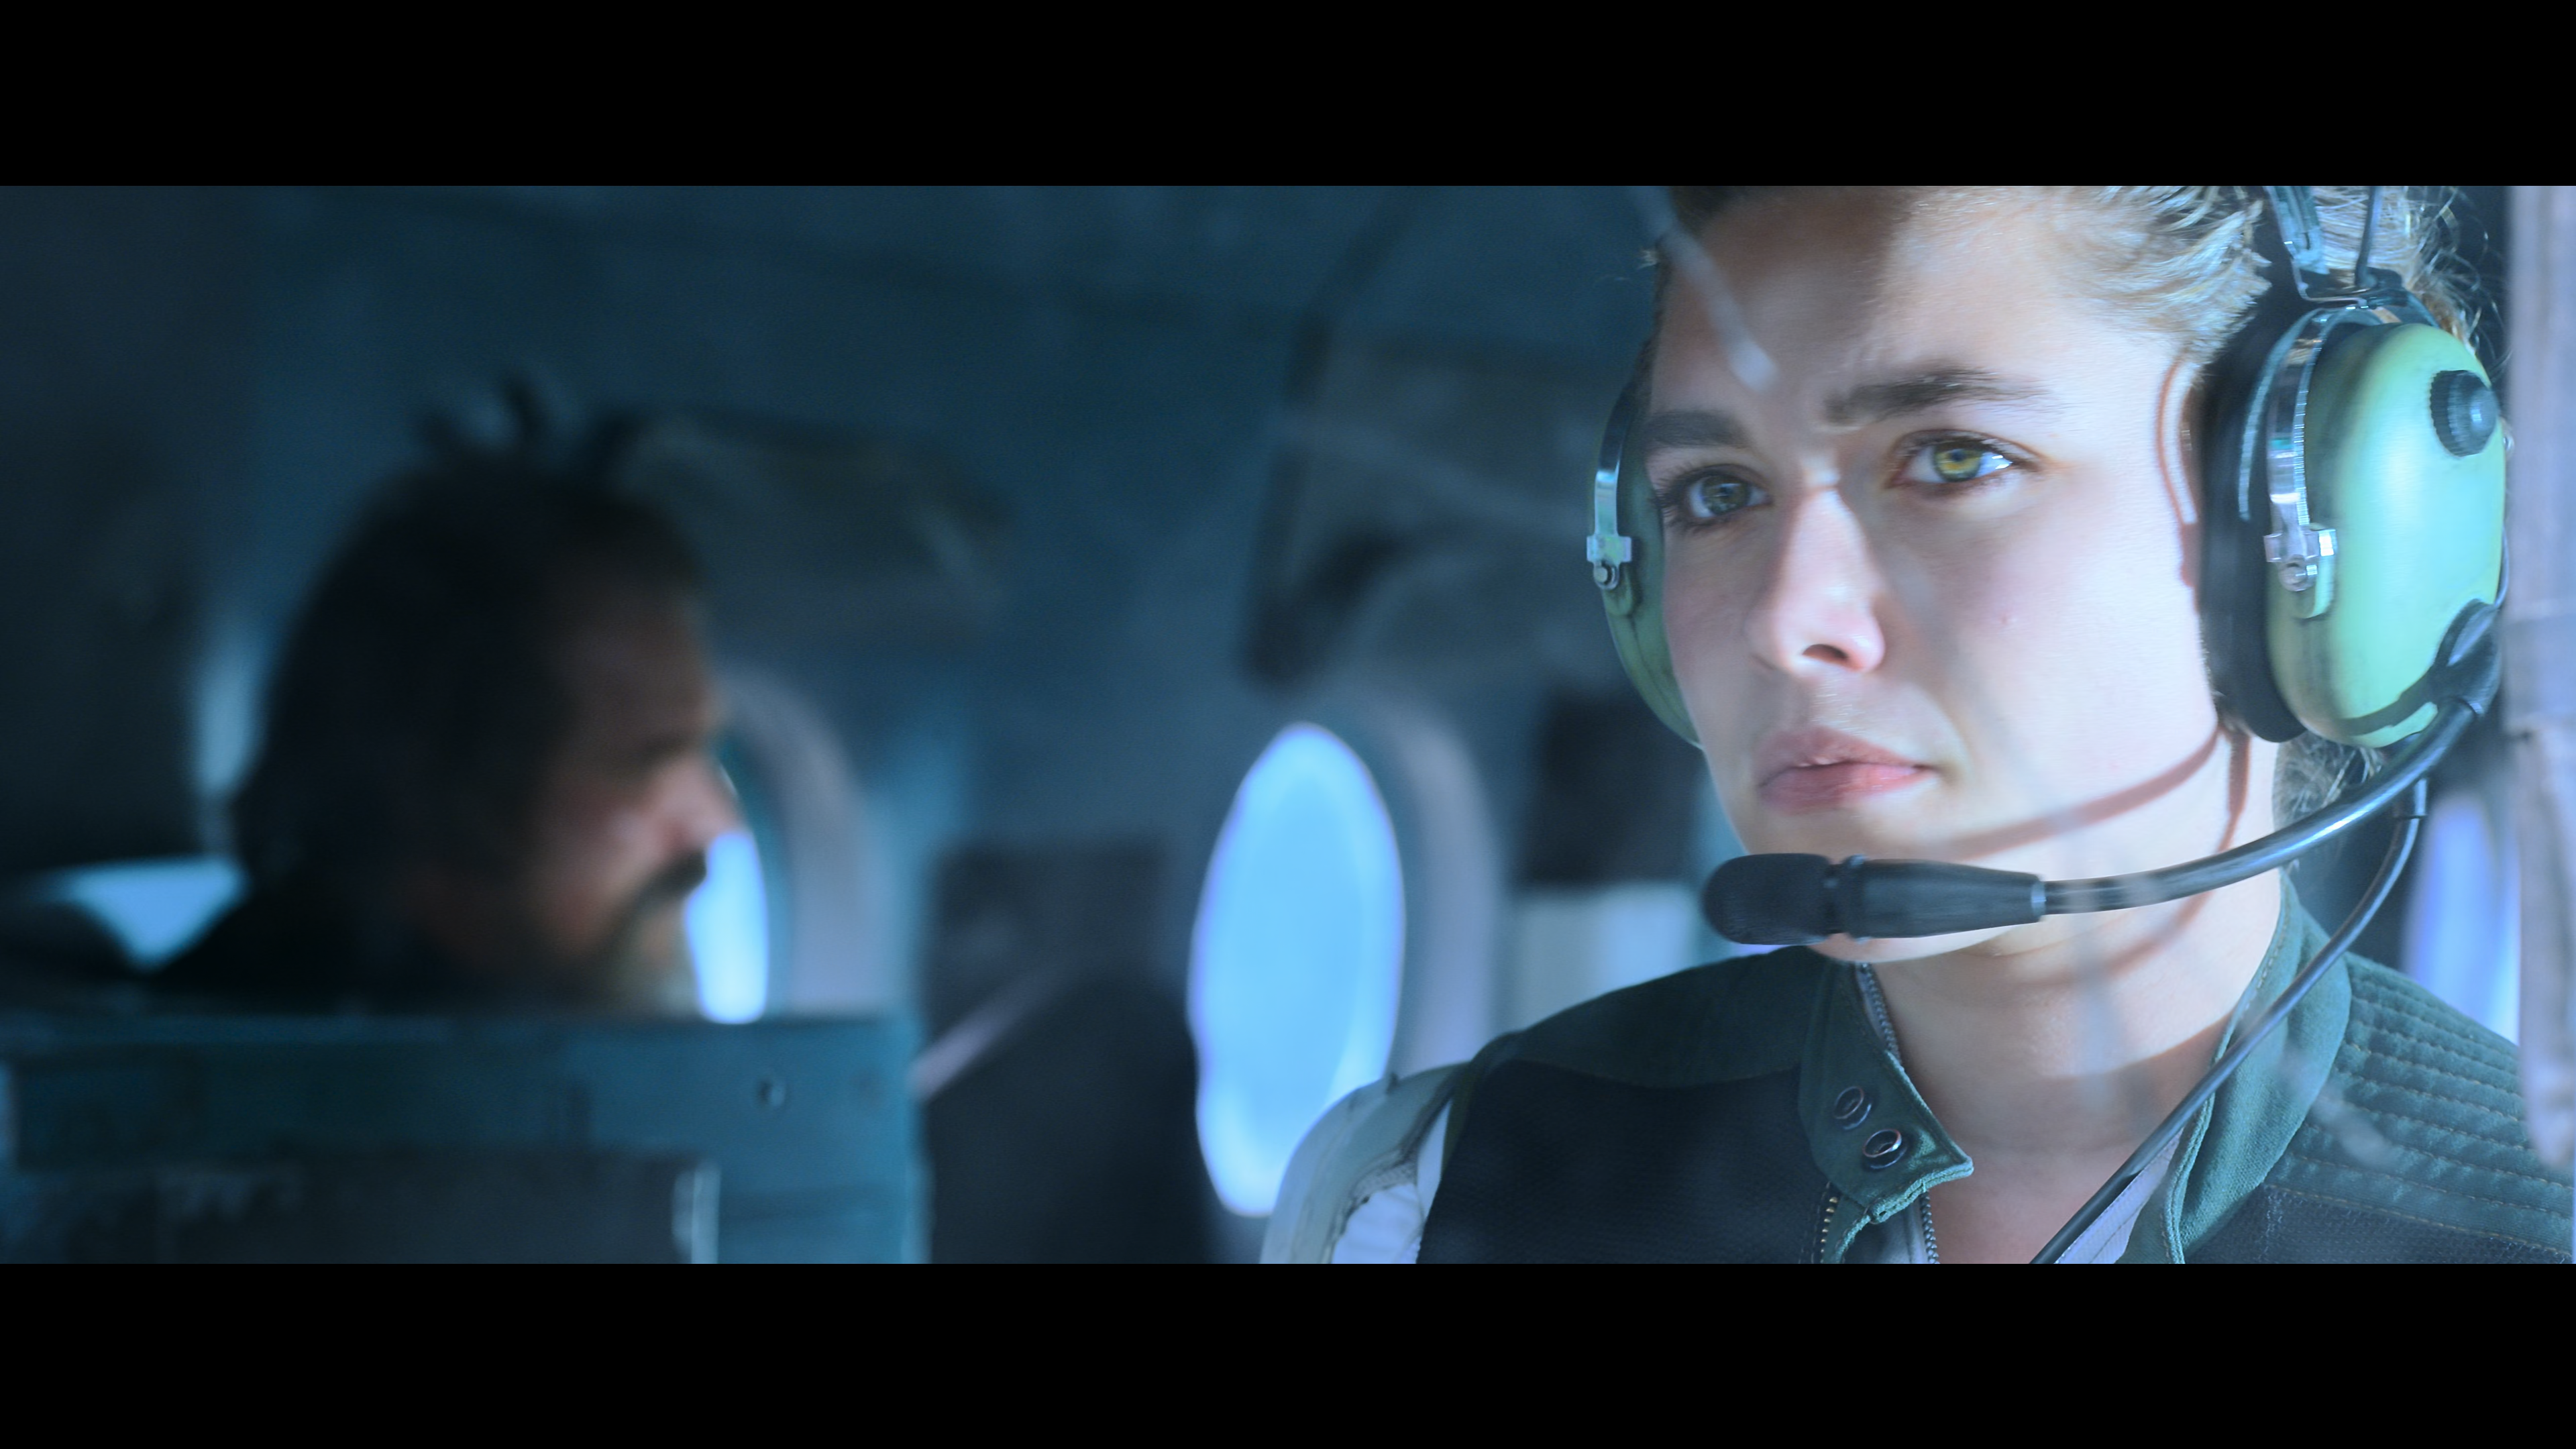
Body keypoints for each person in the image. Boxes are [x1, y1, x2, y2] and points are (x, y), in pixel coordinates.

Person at [1270, 186, 2575, 1263]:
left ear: (2332, 533)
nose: (1787, 618)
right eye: (1717, 492)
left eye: (1955, 459)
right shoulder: (1431, 1189)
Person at [159, 429, 739, 1011]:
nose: (717, 825)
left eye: (705, 755)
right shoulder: (236, 1044)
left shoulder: (527, 1032)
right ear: (450, 792)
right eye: (645, 763)